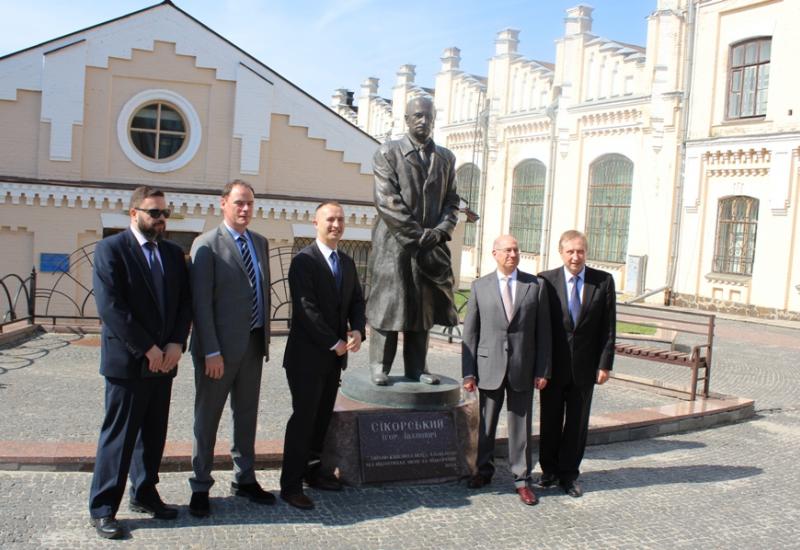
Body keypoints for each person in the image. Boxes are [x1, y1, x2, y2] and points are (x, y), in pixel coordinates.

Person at [88, 186, 192, 539]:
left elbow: (184, 303)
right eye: (154, 213)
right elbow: (111, 308)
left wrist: (177, 342)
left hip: (166, 361)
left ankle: (145, 493)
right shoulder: (111, 249)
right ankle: (103, 508)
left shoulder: (174, 254)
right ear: (133, 214)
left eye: (165, 213)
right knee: (118, 437)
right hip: (129, 362)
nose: (161, 219)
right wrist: (148, 348)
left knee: (153, 434)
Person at [188, 180, 272, 517]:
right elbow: (201, 304)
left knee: (247, 416)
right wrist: (210, 350)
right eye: (238, 203)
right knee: (207, 418)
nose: (245, 209)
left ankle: (245, 478)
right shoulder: (206, 244)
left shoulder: (261, 243)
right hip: (217, 352)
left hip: (253, 344)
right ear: (223, 203)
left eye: (250, 204)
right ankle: (200, 484)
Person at [367, 95, 460, 386]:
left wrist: (441, 230)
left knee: (422, 309)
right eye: (417, 115)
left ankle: (416, 368)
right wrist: (418, 236)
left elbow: (452, 200)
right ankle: (379, 366)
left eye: (428, 116)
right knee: (390, 306)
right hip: (394, 246)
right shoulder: (387, 153)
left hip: (429, 247)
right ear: (406, 120)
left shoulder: (446, 158)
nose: (423, 121)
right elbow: (387, 201)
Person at [279, 201, 366, 510]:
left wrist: (357, 329)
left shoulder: (346, 261)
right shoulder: (304, 261)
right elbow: (305, 308)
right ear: (315, 223)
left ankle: (312, 473)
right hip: (306, 358)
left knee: (321, 421)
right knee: (303, 419)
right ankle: (290, 485)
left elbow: (357, 299)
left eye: (341, 220)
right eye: (330, 219)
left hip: (333, 359)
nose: (336, 225)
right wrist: (334, 341)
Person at [462, 235, 551, 506]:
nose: (512, 254)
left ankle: (522, 479)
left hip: (523, 367)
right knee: (486, 424)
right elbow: (470, 333)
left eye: (516, 249)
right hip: (489, 367)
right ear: (495, 254)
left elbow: (543, 332)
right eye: (507, 250)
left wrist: (543, 370)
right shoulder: (479, 286)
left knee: (521, 426)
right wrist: (469, 373)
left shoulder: (534, 286)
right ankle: (483, 471)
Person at [537, 230, 616, 497]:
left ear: (586, 253)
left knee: (577, 424)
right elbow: (541, 329)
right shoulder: (545, 281)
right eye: (570, 251)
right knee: (549, 421)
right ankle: (548, 471)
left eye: (580, 251)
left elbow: (608, 327)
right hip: (552, 369)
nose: (575, 256)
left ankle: (569, 475)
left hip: (585, 368)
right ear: (561, 252)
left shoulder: (603, 281)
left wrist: (604, 364)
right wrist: (540, 367)